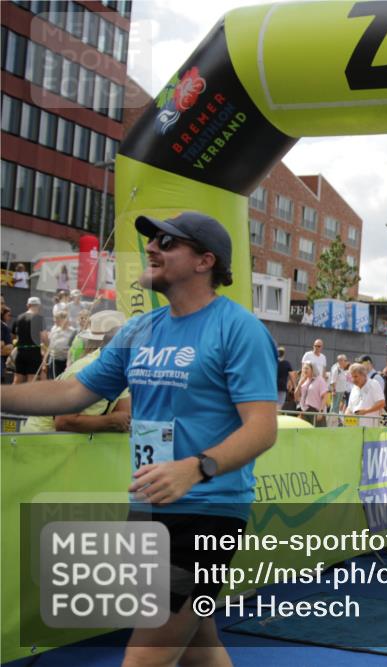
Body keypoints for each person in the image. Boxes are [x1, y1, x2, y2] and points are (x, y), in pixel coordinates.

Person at [1, 211, 278, 667]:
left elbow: (262, 428)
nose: (151, 248)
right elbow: (73, 391)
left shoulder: (239, 328)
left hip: (206, 513)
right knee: (197, 646)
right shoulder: (139, 329)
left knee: (146, 657)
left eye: (167, 242)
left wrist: (196, 468)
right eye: (151, 240)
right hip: (148, 505)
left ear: (205, 260)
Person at [22, 310, 131, 434]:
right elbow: (64, 422)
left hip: (68, 442)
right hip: (41, 441)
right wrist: (110, 421)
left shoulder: (119, 368)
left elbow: (124, 415)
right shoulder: (87, 368)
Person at [12, 296, 46, 384]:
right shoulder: (39, 318)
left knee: (17, 379)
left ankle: (11, 397)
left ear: (28, 305)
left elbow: (13, 336)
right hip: (34, 352)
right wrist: (49, 344)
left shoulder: (19, 318)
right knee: (31, 380)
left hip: (21, 351)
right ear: (39, 306)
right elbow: (44, 337)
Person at [346, 362, 385, 427]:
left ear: (363, 375)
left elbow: (381, 403)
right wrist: (346, 417)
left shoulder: (373, 384)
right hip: (355, 429)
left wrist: (366, 411)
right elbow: (349, 407)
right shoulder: (354, 388)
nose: (353, 380)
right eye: (352, 377)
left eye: (356, 376)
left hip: (371, 428)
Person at [45, 310, 75, 379]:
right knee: (53, 380)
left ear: (64, 319)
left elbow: (73, 347)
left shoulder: (72, 331)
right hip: (54, 360)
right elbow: (50, 346)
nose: (54, 320)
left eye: (57, 319)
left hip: (66, 361)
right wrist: (45, 360)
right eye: (55, 318)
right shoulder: (54, 329)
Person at [1, 306, 12, 383]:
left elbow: (9, 348)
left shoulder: (4, 327)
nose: (10, 318)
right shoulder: (4, 327)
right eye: (8, 315)